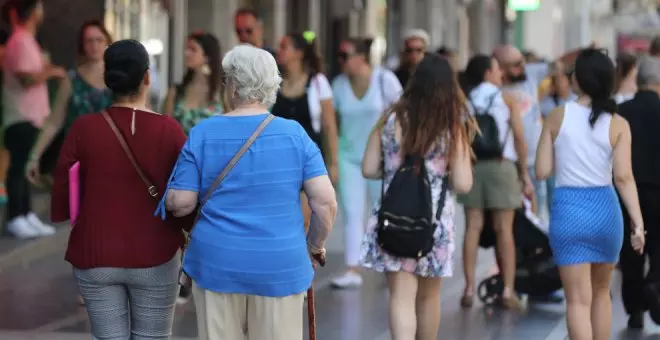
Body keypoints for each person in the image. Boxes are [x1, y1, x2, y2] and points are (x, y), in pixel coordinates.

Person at [160, 44, 336, 340]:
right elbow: (325, 203)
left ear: (230, 86)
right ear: (272, 86)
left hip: (217, 264)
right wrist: (313, 245)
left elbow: (181, 203)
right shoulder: (295, 135)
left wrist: (164, 194)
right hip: (280, 266)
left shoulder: (203, 133)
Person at [49, 39, 191, 339]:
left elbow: (63, 192)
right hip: (156, 255)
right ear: (147, 77)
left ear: (107, 78)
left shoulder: (84, 129)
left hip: (96, 252)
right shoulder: (169, 131)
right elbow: (186, 194)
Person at [361, 53, 473, 340]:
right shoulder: (452, 126)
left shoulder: (390, 118)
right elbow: (463, 183)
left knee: (400, 297)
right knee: (427, 298)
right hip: (433, 224)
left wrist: (395, 170)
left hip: (394, 218)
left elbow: (369, 168)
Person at [535, 47, 645, 340]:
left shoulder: (557, 117)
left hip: (569, 211)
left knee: (577, 301)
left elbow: (542, 171)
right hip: (606, 213)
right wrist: (638, 223)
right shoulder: (619, 124)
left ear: (577, 81)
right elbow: (623, 177)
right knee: (601, 293)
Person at [457, 54, 529, 310]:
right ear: (488, 72)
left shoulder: (465, 100)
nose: (500, 74)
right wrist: (524, 173)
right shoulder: (506, 99)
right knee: (504, 230)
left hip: (474, 168)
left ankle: (467, 289)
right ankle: (508, 290)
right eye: (497, 69)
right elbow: (519, 137)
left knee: (473, 228)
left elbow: (460, 138)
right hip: (502, 166)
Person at [331, 37, 402, 288]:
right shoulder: (338, 85)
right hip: (348, 155)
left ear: (361, 57)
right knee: (352, 212)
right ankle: (353, 267)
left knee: (383, 209)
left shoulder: (385, 80)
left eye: (345, 56)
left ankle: (389, 259)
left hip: (381, 157)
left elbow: (402, 112)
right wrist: (332, 160)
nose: (340, 61)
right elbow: (332, 123)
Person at [3, 0, 67, 238]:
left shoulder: (28, 41)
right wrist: (53, 72)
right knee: (19, 167)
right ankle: (15, 216)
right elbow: (26, 79)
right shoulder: (19, 41)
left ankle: (26, 213)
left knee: (29, 166)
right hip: (21, 115)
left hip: (34, 116)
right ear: (32, 12)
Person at [26, 20, 113, 186]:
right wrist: (34, 156)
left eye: (99, 40)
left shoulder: (119, 79)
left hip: (112, 159)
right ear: (83, 46)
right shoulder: (72, 80)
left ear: (107, 42)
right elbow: (54, 121)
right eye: (89, 41)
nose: (95, 45)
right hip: (77, 159)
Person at [273, 31, 338, 228]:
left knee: (304, 219)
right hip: (278, 158)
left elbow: (329, 124)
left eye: (284, 47)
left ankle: (302, 257)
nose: (279, 51)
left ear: (299, 53)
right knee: (280, 217)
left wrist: (333, 163)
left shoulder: (317, 83)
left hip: (307, 158)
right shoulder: (274, 83)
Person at [617, 56, 660, 329]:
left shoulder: (621, 111)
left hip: (626, 191)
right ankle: (654, 285)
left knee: (631, 249)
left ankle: (634, 308)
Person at [163, 31, 224, 135]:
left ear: (207, 56)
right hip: (181, 149)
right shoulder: (176, 92)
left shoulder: (222, 92)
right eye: (187, 49)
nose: (186, 53)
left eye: (193, 49)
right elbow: (165, 130)